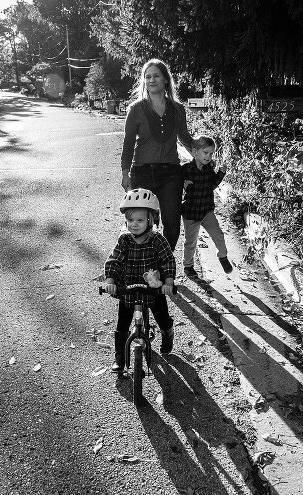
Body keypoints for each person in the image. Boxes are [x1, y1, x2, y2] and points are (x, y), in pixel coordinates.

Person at [121, 58, 194, 251]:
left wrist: (202, 153)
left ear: (165, 79)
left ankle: (164, 260)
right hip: (142, 172)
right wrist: (125, 172)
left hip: (171, 174)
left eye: (156, 76)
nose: (151, 80)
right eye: (147, 77)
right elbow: (128, 143)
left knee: (172, 224)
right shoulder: (136, 109)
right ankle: (145, 260)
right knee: (143, 223)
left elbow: (185, 138)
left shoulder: (177, 109)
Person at [104, 188, 177, 372]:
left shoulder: (157, 240)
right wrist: (111, 281)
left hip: (153, 288)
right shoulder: (125, 240)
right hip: (129, 289)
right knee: (122, 323)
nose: (134, 224)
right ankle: (120, 358)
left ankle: (168, 332)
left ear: (151, 220)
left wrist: (168, 283)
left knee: (162, 316)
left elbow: (168, 260)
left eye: (140, 220)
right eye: (130, 220)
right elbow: (115, 260)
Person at [181, 135, 233, 278]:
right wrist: (183, 185)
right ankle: (188, 266)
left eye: (211, 153)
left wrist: (221, 173)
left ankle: (223, 256)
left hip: (206, 211)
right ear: (194, 152)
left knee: (218, 235)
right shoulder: (185, 169)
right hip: (191, 213)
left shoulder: (209, 168)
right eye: (205, 152)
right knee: (191, 242)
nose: (209, 156)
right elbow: (176, 188)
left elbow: (212, 185)